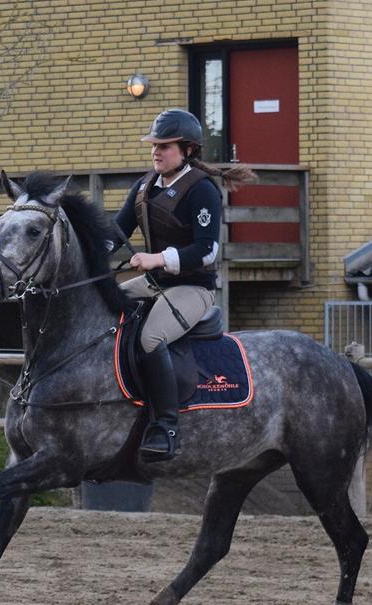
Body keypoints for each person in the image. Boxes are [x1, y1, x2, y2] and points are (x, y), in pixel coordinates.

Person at [114, 109, 255, 462]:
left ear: (188, 150)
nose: (156, 152)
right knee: (103, 305)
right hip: (154, 282)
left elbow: (207, 251)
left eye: (164, 146)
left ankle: (165, 426)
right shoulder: (144, 187)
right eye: (154, 146)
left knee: (150, 337)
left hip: (194, 289)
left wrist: (157, 258)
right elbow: (115, 233)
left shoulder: (202, 190)